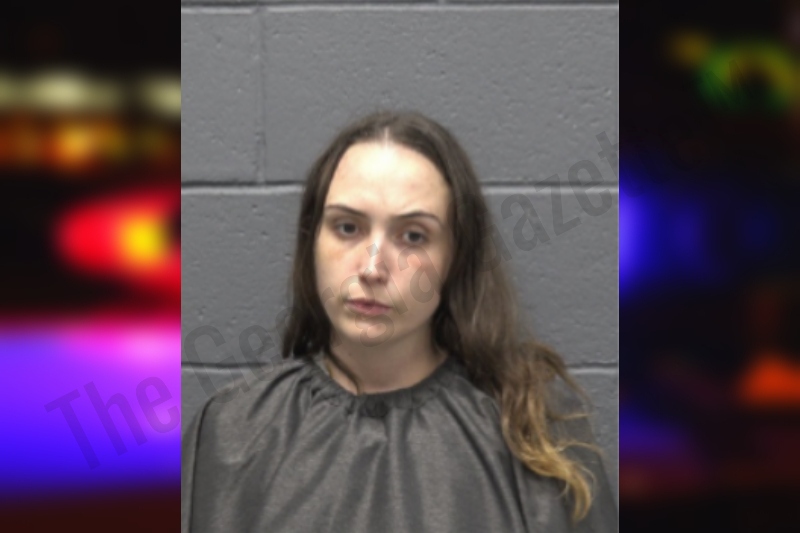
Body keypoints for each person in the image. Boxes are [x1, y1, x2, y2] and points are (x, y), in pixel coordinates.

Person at [181, 111, 618, 532]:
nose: (373, 268)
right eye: (347, 228)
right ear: (312, 240)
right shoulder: (233, 432)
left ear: (455, 257)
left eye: (413, 236)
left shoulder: (534, 431)